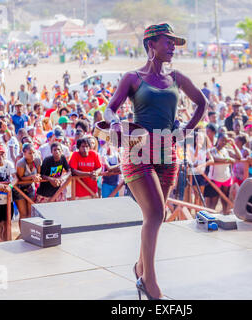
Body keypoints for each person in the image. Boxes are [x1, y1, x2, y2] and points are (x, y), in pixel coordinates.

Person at [104, 23, 206, 300]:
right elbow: (110, 109)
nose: (173, 46)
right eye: (168, 41)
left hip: (167, 153)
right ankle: (151, 285)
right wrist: (114, 124)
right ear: (151, 44)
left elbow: (201, 103)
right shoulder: (132, 78)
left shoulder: (178, 77)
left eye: (175, 42)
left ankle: (140, 269)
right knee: (156, 215)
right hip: (138, 151)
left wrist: (185, 131)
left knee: (156, 216)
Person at [14, 143, 41, 234]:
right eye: (30, 153)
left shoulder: (37, 160)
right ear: (24, 153)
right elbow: (20, 178)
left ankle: (29, 234)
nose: (32, 155)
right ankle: (23, 233)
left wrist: (36, 177)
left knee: (30, 213)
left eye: (33, 152)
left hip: (30, 187)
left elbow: (39, 173)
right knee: (23, 214)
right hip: (19, 189)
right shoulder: (21, 162)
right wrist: (32, 177)